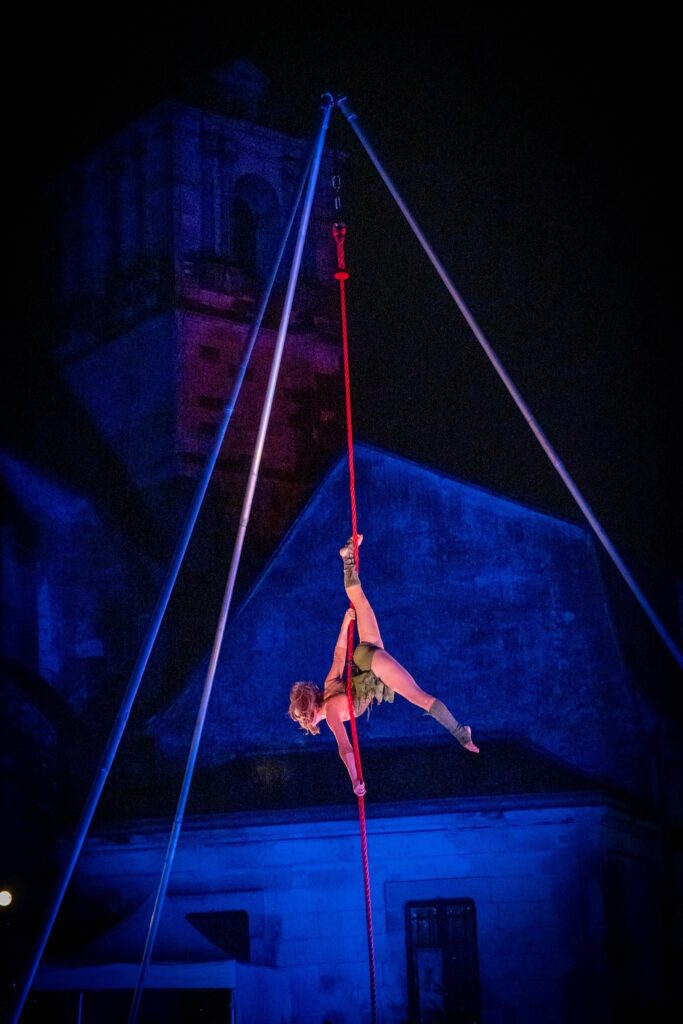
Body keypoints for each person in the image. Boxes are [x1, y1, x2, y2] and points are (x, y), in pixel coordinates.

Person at [288, 535, 479, 795]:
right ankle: (347, 559)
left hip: (371, 666)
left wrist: (355, 780)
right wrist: (345, 624)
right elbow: (339, 654)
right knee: (360, 601)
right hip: (363, 655)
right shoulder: (328, 686)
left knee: (418, 696)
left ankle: (461, 734)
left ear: (310, 717)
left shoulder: (330, 712)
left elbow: (345, 748)